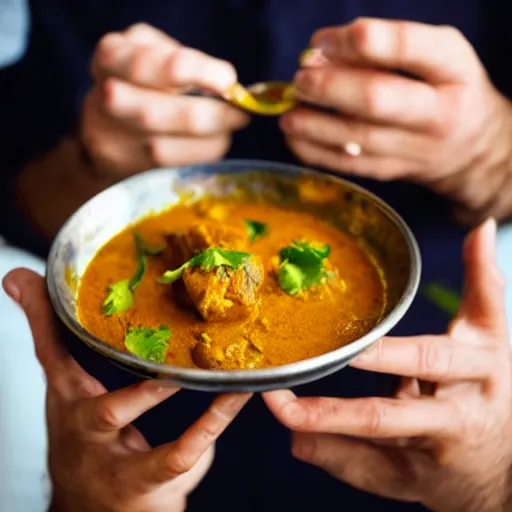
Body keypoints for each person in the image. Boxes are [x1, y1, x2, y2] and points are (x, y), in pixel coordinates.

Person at [1, 2, 512, 511]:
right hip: (127, 428)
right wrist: (87, 162)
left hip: (427, 403)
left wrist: (494, 152)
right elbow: (17, 184)